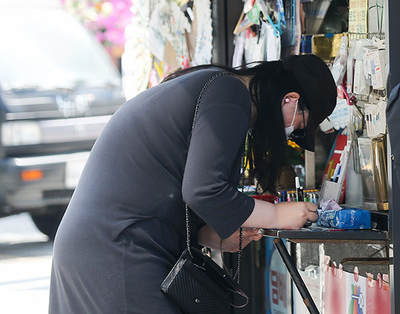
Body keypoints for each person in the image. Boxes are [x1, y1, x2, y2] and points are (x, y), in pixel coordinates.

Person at [49, 54, 337, 313]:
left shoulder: (215, 86)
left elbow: (171, 184)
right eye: (299, 124)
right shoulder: (230, 93)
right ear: (290, 99)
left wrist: (208, 235)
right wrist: (277, 215)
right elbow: (205, 191)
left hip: (104, 244)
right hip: (117, 249)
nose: (291, 133)